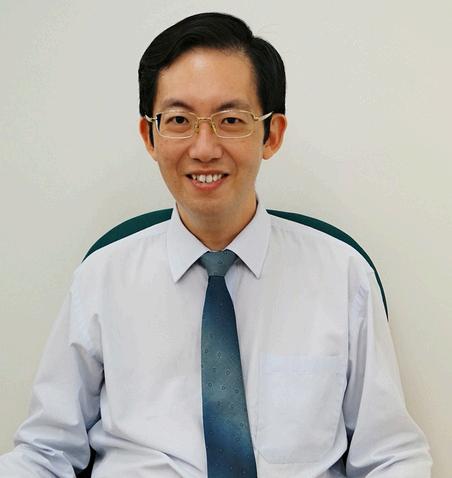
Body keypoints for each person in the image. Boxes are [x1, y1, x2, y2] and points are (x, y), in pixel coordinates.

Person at [0, 12, 432, 478]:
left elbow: (391, 457)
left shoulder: (342, 276)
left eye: (230, 120)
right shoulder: (101, 279)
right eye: (179, 120)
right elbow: (45, 452)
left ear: (272, 134)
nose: (204, 148)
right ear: (150, 136)